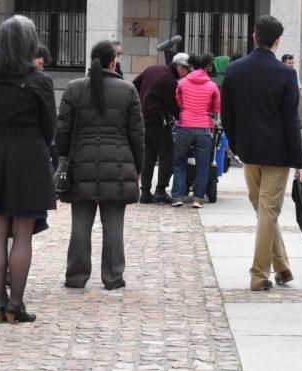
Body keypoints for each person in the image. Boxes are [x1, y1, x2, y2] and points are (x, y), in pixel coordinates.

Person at [0, 15, 57, 323]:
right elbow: (50, 128)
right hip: (29, 157)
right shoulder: (40, 81)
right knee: (22, 235)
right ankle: (15, 304)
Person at [221, 16, 302, 291]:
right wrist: (299, 161)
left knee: (263, 210)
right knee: (267, 211)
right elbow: (290, 121)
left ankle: (280, 267)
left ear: (254, 37)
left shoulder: (235, 70)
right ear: (278, 41)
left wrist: (234, 143)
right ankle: (260, 274)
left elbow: (227, 114)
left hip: (248, 150)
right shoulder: (286, 74)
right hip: (278, 153)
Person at [56, 40, 144, 291]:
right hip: (118, 164)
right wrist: (137, 167)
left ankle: (76, 275)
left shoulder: (74, 89)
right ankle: (113, 276)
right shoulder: (127, 90)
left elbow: (62, 131)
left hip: (81, 164)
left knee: (80, 224)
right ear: (113, 61)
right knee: (114, 226)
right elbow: (137, 135)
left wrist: (63, 158)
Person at [172, 53, 221, 208]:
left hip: (184, 126)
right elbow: (216, 107)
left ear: (192, 65)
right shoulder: (212, 86)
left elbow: (179, 102)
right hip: (204, 128)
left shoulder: (182, 83)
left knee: (179, 161)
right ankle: (198, 198)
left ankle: (178, 196)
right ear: (207, 66)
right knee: (203, 164)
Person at [132, 56, 182, 204]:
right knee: (167, 155)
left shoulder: (152, 69)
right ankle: (160, 190)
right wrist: (181, 117)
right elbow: (174, 106)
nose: (187, 74)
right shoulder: (169, 81)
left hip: (143, 118)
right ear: (179, 68)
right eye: (187, 70)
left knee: (148, 156)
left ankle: (145, 192)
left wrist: (141, 100)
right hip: (159, 120)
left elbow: (135, 84)